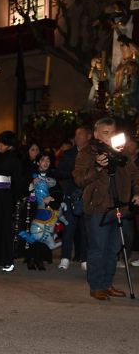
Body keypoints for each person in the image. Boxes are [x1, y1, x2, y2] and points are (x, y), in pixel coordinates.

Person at [73, 117, 139, 301]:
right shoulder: (87, 153)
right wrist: (97, 167)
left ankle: (107, 283)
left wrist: (137, 192)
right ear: (95, 134)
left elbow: (135, 174)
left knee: (114, 249)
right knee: (98, 248)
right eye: (105, 133)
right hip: (98, 208)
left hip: (120, 207)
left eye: (112, 132)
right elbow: (79, 179)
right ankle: (96, 286)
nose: (109, 137)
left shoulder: (122, 152)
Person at [56, 127, 92, 270]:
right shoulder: (68, 154)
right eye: (75, 134)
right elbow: (60, 174)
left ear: (88, 136)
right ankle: (65, 258)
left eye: (80, 134)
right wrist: (73, 175)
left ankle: (85, 259)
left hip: (87, 196)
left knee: (85, 229)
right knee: (69, 228)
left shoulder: (93, 153)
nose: (77, 137)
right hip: (71, 195)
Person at [0, 131, 23, 272]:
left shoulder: (14, 159)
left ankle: (7, 260)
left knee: (5, 229)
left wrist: (14, 199)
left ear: (10, 146)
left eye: (3, 144)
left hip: (5, 197)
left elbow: (17, 181)